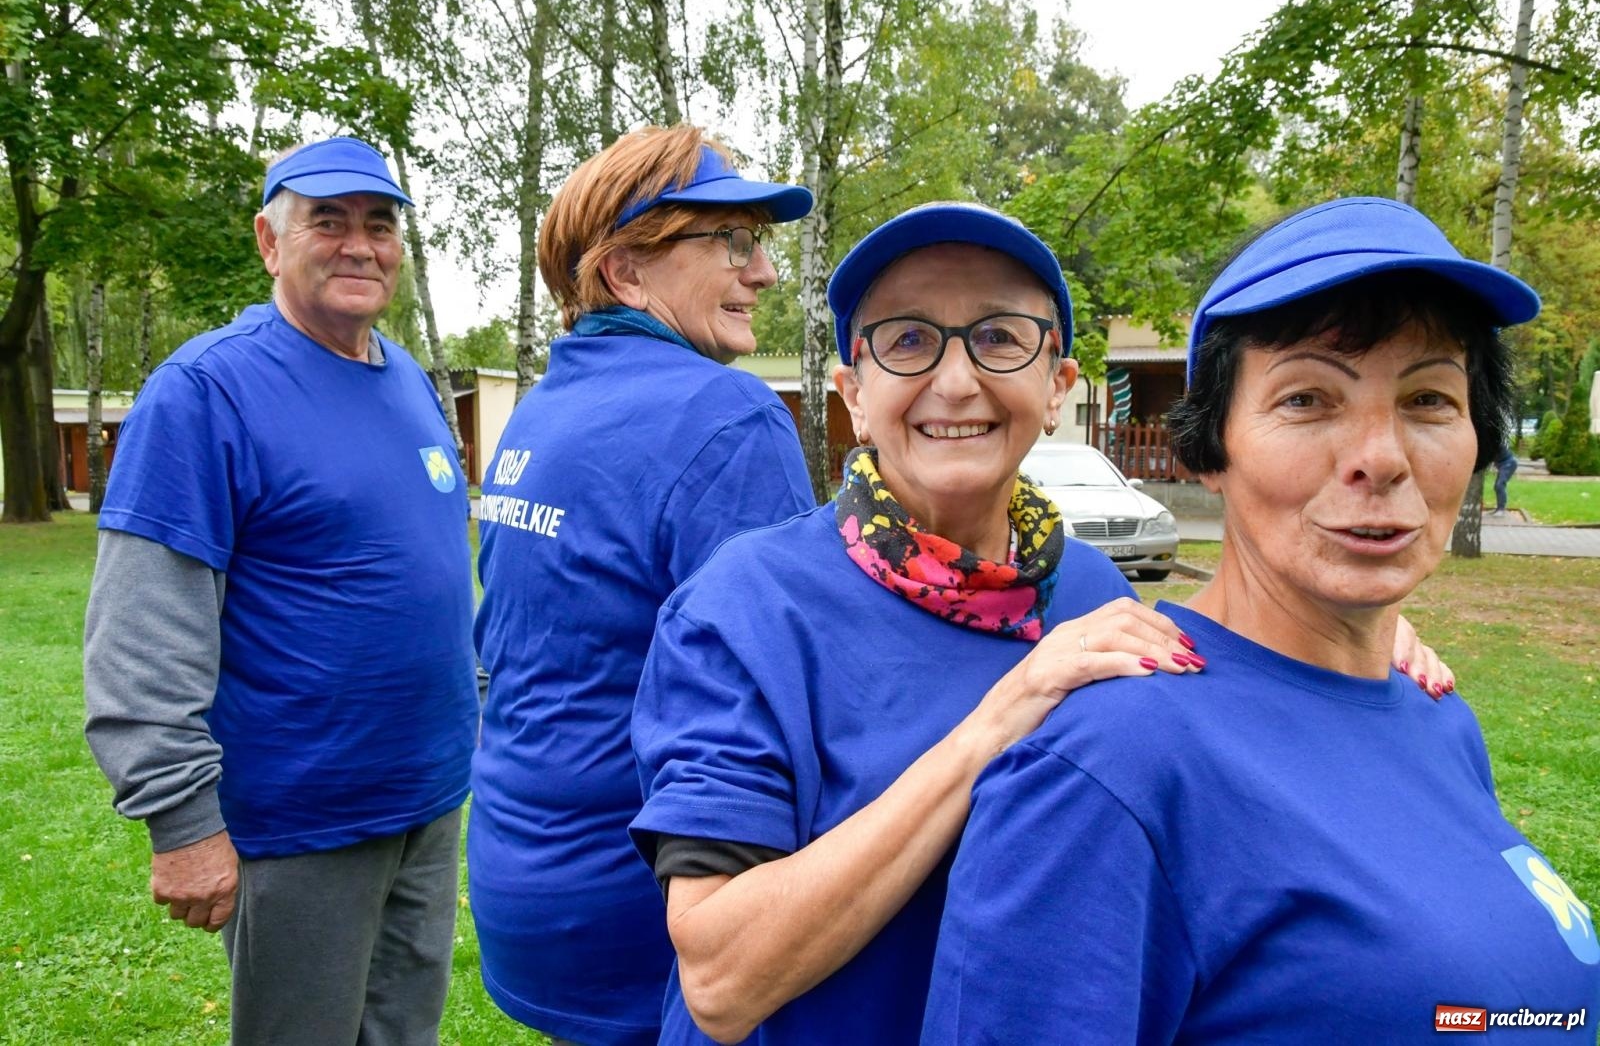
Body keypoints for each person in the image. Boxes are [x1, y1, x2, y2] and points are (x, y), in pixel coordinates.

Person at [922, 197, 1600, 1044]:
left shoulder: (1435, 714)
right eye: (1309, 399)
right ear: (1210, 451)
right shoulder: (1110, 773)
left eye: (1429, 400)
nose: (1381, 458)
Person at [627, 201, 1219, 1045]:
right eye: (907, 340)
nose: (955, 380)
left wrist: (1359, 649)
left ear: (1057, 386)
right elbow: (721, 980)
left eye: (1000, 337)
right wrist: (997, 723)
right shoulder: (744, 610)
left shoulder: (1084, 585)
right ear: (854, 395)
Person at [83, 137, 477, 1045]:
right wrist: (181, 820)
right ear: (269, 240)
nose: (358, 245)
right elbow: (144, 623)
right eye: (326, 221)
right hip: (302, 819)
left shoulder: (411, 379)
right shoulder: (206, 390)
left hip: (427, 798)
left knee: (401, 1033)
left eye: (380, 225)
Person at [469, 125, 816, 1046]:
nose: (765, 272)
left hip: (523, 866)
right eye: (732, 240)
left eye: (761, 241)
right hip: (652, 906)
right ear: (625, 273)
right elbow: (792, 688)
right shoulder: (728, 414)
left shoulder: (543, 408)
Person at [1491, 442, 1518, 515]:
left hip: (1508, 463)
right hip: (1502, 464)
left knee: (1500, 485)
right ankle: (1499, 508)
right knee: (1497, 486)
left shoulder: (1494, 440)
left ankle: (1501, 509)